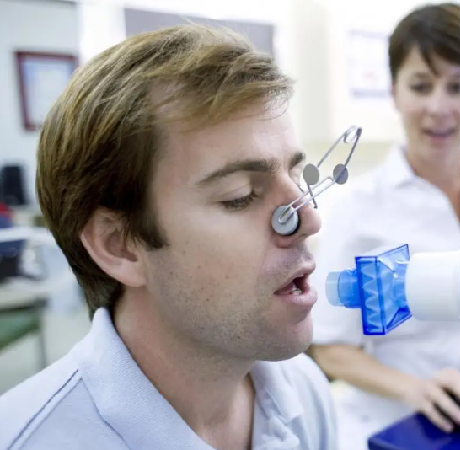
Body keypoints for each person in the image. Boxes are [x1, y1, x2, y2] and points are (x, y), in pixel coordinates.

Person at [0, 25, 337, 450]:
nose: (308, 219)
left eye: (293, 175)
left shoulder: (303, 392)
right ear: (119, 245)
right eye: (241, 196)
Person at [309, 3, 460, 449]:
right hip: (398, 421)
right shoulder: (357, 207)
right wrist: (415, 389)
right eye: (420, 85)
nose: (438, 108)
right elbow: (333, 349)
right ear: (394, 90)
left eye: (458, 86)